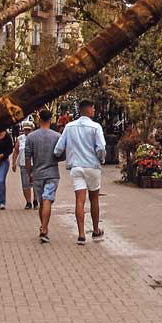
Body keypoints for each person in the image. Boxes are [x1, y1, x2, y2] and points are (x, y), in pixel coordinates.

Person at [53, 99, 107, 245]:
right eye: (93, 109)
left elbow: (58, 149)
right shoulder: (96, 127)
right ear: (89, 110)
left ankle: (81, 234)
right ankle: (95, 230)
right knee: (94, 199)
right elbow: (101, 147)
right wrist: (101, 159)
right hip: (92, 167)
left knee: (79, 200)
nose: (94, 111)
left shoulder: (69, 127)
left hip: (76, 167)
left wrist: (60, 156)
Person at [23, 109, 63, 243]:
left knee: (42, 202)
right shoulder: (57, 137)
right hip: (52, 174)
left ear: (39, 120)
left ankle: (43, 227)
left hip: (38, 174)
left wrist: (29, 173)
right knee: (47, 200)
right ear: (50, 120)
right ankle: (44, 228)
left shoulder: (31, 137)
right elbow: (62, 154)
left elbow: (27, 158)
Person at [12, 118, 36, 209]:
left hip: (35, 164)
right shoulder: (20, 139)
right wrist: (14, 163)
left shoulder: (35, 138)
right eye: (25, 129)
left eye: (28, 130)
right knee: (25, 184)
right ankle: (28, 202)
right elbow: (16, 151)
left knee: (35, 183)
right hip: (23, 164)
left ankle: (35, 200)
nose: (27, 131)